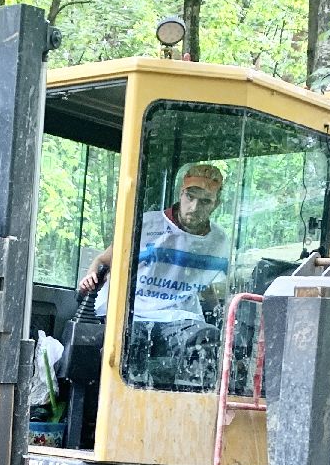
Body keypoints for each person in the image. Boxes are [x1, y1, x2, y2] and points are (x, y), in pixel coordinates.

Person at [78, 162, 229, 383]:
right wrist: (91, 276)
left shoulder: (219, 241)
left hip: (180, 317)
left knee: (207, 339)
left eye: (205, 201)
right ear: (181, 194)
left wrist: (222, 316)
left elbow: (203, 283)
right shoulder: (147, 224)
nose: (195, 207)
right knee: (130, 342)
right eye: (190, 197)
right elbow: (103, 261)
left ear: (216, 205)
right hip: (135, 311)